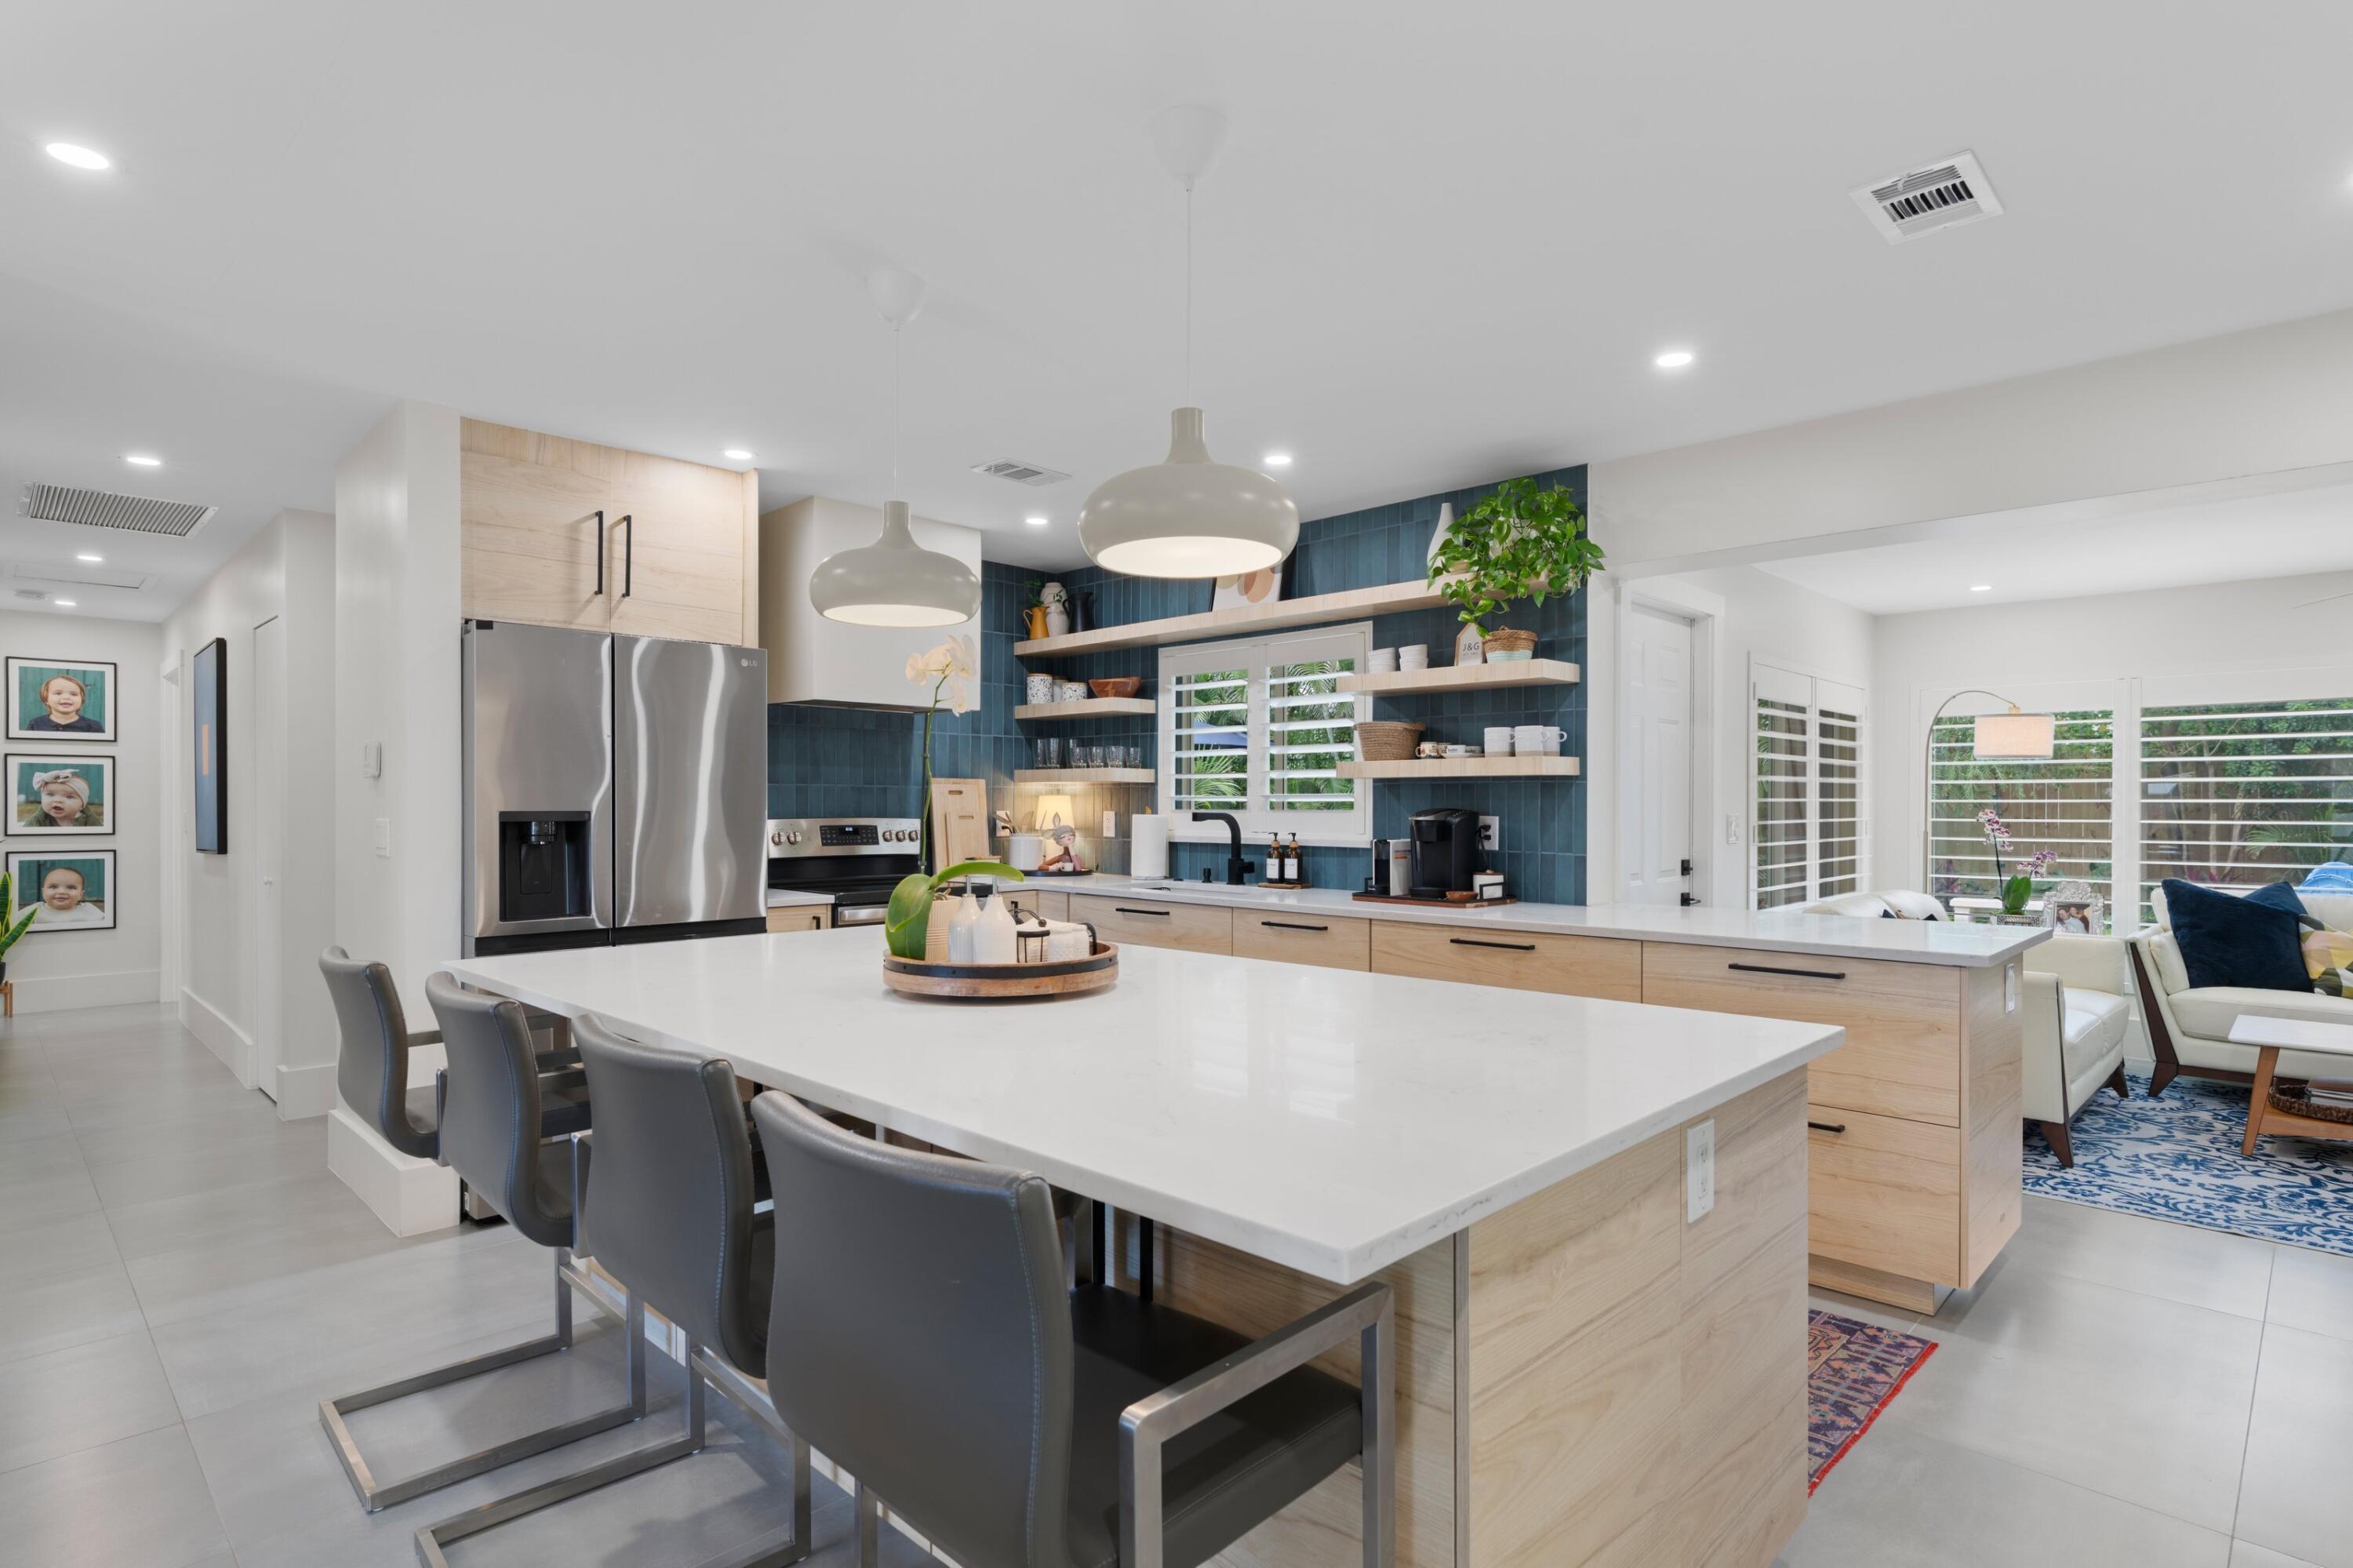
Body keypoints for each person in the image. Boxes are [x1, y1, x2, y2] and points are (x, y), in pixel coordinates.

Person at [31, 864, 108, 928]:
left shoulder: (89, 910)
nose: (62, 892)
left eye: (71, 888)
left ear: (81, 895)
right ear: (43, 892)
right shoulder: (34, 910)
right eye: (53, 887)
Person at [24, 674, 103, 733]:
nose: (66, 697)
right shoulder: (35, 724)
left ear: (82, 700)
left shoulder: (93, 726)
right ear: (46, 699)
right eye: (58, 693)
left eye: (74, 694)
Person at [23, 769, 100, 829]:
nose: (58, 800)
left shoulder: (88, 818)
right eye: (51, 794)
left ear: (82, 805)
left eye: (69, 797)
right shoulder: (38, 820)